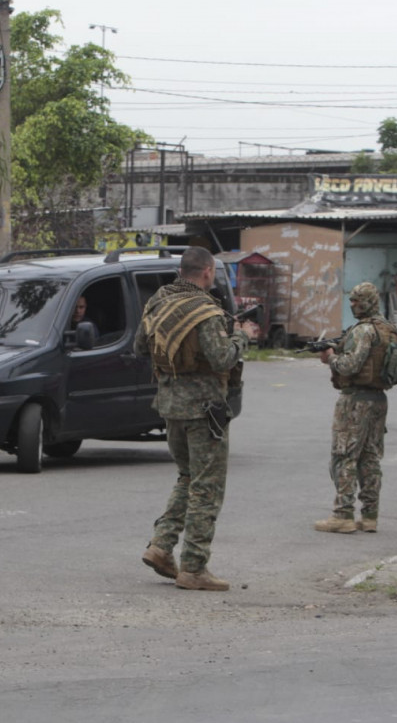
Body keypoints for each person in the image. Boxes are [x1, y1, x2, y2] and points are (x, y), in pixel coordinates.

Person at [135, 246, 253, 591]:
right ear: (205, 272)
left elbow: (140, 347)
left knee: (188, 477)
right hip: (205, 411)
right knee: (207, 487)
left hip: (170, 406)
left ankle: (161, 546)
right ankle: (194, 567)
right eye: (213, 272)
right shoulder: (205, 309)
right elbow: (221, 359)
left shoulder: (159, 302)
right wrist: (242, 337)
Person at [313, 282, 397, 535]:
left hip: (355, 401)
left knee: (345, 455)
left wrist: (331, 358)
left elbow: (350, 366)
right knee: (370, 457)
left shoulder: (363, 331)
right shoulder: (388, 330)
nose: (352, 305)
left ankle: (343, 515)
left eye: (356, 300)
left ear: (368, 302)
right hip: (378, 400)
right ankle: (370, 515)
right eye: (351, 300)